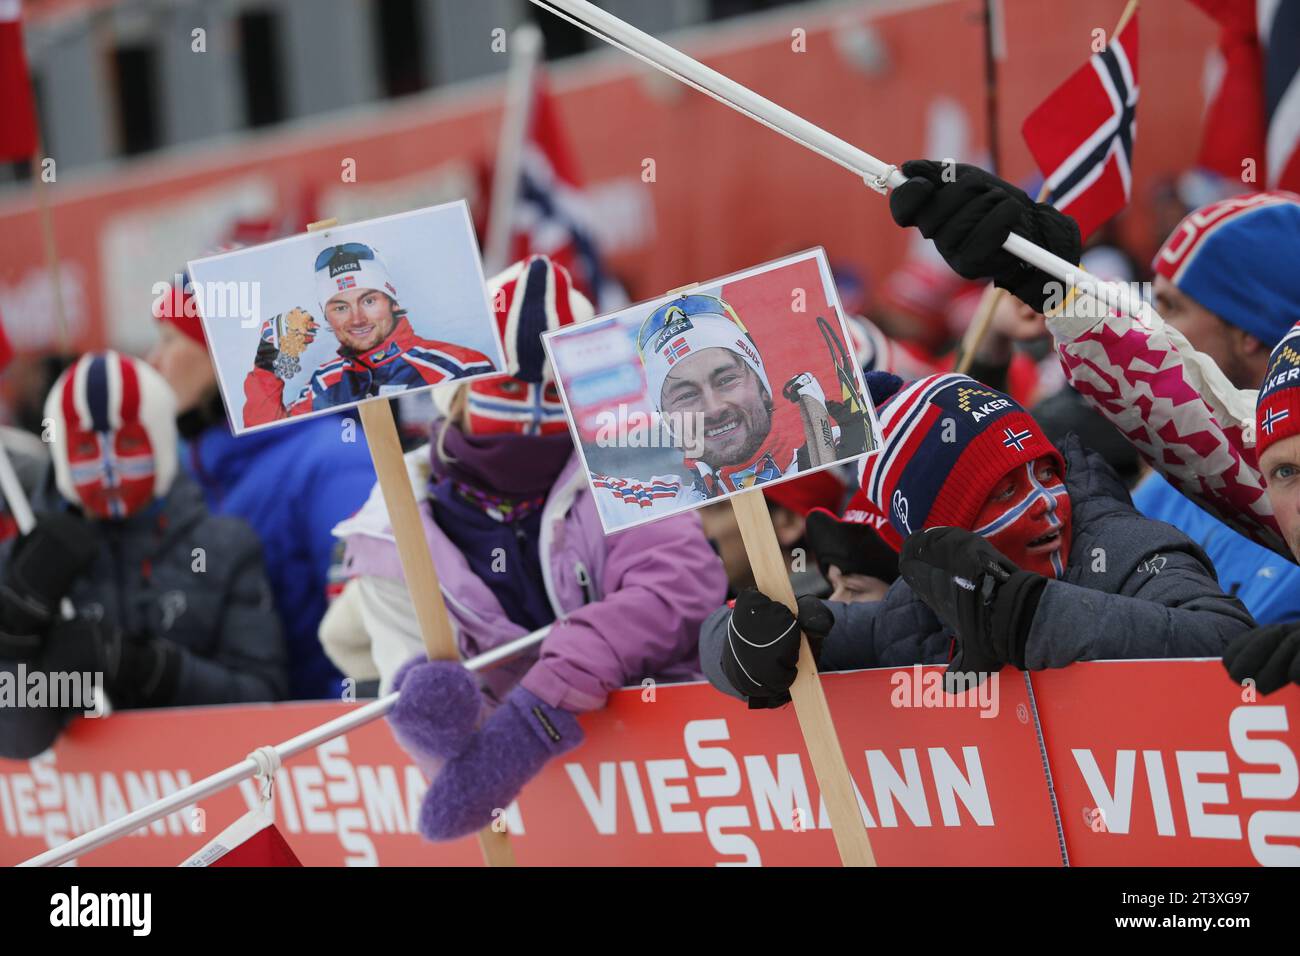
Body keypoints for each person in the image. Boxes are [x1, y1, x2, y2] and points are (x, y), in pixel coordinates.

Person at [329, 256, 727, 840]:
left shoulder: (631, 467)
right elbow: (403, 660)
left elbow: (678, 589)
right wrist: (426, 707)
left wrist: (543, 703)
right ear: (457, 398)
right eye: (509, 387)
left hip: (675, 784)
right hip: (538, 825)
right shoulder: (392, 526)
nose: (532, 412)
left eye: (554, 391)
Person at [882, 159, 1300, 693]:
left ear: (1253, 334)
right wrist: (1050, 285)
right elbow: (1198, 427)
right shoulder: (1203, 483)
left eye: (1172, 306)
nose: (1158, 324)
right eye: (1283, 471)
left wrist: (1038, 614)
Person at [700, 372, 1254, 708]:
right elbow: (734, 642)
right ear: (941, 535)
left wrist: (1033, 616)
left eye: (1045, 473)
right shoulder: (923, 607)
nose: (1043, 502)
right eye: (1003, 489)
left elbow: (1228, 644)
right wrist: (741, 649)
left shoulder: (1121, 545)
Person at [0, 352, 286, 759]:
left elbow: (265, 704)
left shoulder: (224, 547)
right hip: (84, 813)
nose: (109, 469)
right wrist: (17, 636)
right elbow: (17, 739)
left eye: (128, 442)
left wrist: (150, 668)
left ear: (162, 444)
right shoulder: (23, 558)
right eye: (85, 448)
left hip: (204, 797)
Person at [149, 277, 375, 700]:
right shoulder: (183, 470)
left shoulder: (330, 461)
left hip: (320, 747)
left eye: (167, 339)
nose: (153, 360)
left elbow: (369, 634)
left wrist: (333, 748)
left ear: (225, 353)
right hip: (235, 748)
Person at [589, 292, 873, 524]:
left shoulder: (846, 453)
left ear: (763, 388)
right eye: (686, 395)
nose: (713, 409)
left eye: (726, 380)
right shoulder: (671, 509)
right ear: (668, 423)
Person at [242, 241, 498, 427]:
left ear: (392, 302)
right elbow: (271, 441)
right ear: (326, 315)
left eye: (368, 301)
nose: (357, 319)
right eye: (341, 307)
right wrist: (268, 360)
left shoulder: (462, 367)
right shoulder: (325, 382)